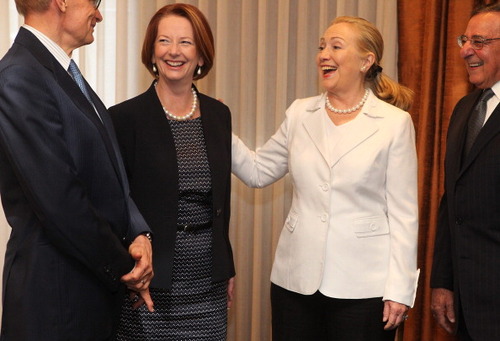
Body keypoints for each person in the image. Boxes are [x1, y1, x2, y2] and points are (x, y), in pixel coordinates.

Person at [232, 16, 419, 340]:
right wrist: (217, 128)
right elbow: (258, 171)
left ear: (366, 60)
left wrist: (400, 289)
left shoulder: (394, 123)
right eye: (321, 47)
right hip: (295, 281)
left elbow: (404, 214)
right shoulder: (299, 113)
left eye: (336, 46)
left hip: (364, 286)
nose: (323, 55)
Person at [0, 0, 154, 340]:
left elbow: (110, 174)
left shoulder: (64, 74)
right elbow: (61, 201)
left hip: (86, 295)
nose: (98, 14)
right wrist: (127, 268)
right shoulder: (19, 76)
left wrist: (139, 233)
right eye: (94, 2)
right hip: (55, 304)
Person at [108, 3, 235, 340]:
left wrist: (227, 265)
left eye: (186, 42)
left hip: (208, 281)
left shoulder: (219, 114)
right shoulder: (124, 118)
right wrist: (129, 272)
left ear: (202, 55)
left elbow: (222, 200)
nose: (174, 52)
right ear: (152, 51)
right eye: (164, 41)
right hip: (150, 280)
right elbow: (115, 203)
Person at [430, 3, 500, 341]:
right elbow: (452, 203)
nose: (465, 50)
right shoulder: (464, 109)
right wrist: (443, 281)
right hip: (468, 305)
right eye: (464, 39)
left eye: (479, 41)